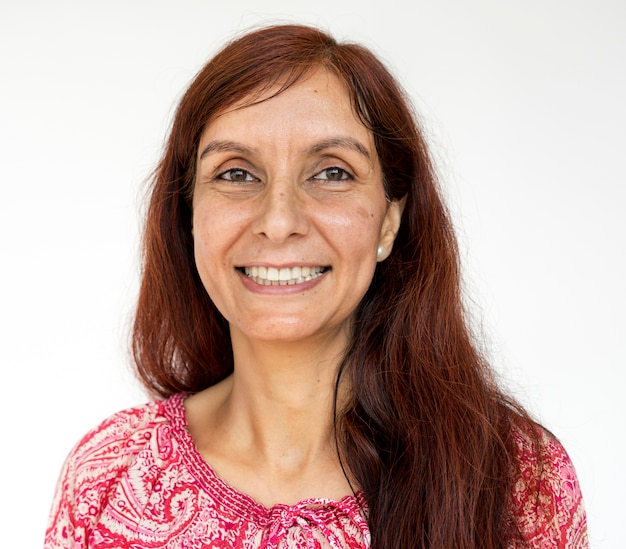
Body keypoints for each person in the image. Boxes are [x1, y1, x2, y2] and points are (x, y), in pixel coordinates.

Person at [44, 24, 587, 549]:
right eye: (236, 173)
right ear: (188, 216)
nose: (279, 221)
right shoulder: (109, 477)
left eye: (331, 172)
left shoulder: (519, 483)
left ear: (389, 221)